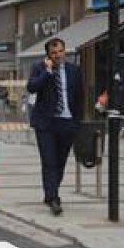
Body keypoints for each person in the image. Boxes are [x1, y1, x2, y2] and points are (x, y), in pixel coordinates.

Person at [26, 37, 83, 216]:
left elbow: (80, 96)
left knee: (60, 162)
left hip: (67, 122)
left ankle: (50, 192)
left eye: (60, 52)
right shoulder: (40, 68)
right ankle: (54, 198)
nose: (58, 55)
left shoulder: (74, 70)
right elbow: (32, 87)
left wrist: (77, 122)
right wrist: (47, 72)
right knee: (49, 161)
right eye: (54, 53)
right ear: (48, 55)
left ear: (65, 52)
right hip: (46, 123)